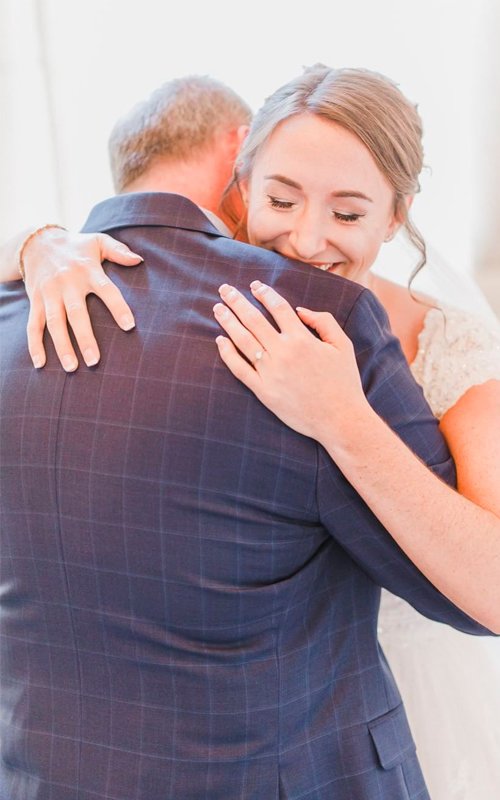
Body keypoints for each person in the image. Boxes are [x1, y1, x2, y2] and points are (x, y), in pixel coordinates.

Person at [2, 69, 499, 798]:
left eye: (349, 213)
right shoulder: (246, 311)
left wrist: (342, 417)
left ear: (397, 216)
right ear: (241, 180)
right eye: (281, 198)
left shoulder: (435, 342)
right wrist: (35, 242)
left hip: (397, 701)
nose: (305, 239)